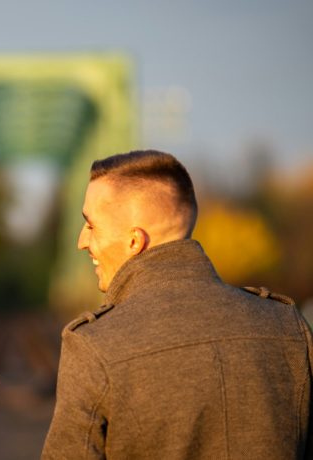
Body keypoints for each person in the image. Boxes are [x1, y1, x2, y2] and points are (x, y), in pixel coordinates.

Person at [42, 150, 313, 459]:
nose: (81, 241)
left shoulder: (95, 346)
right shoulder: (287, 326)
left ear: (135, 241)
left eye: (90, 225)